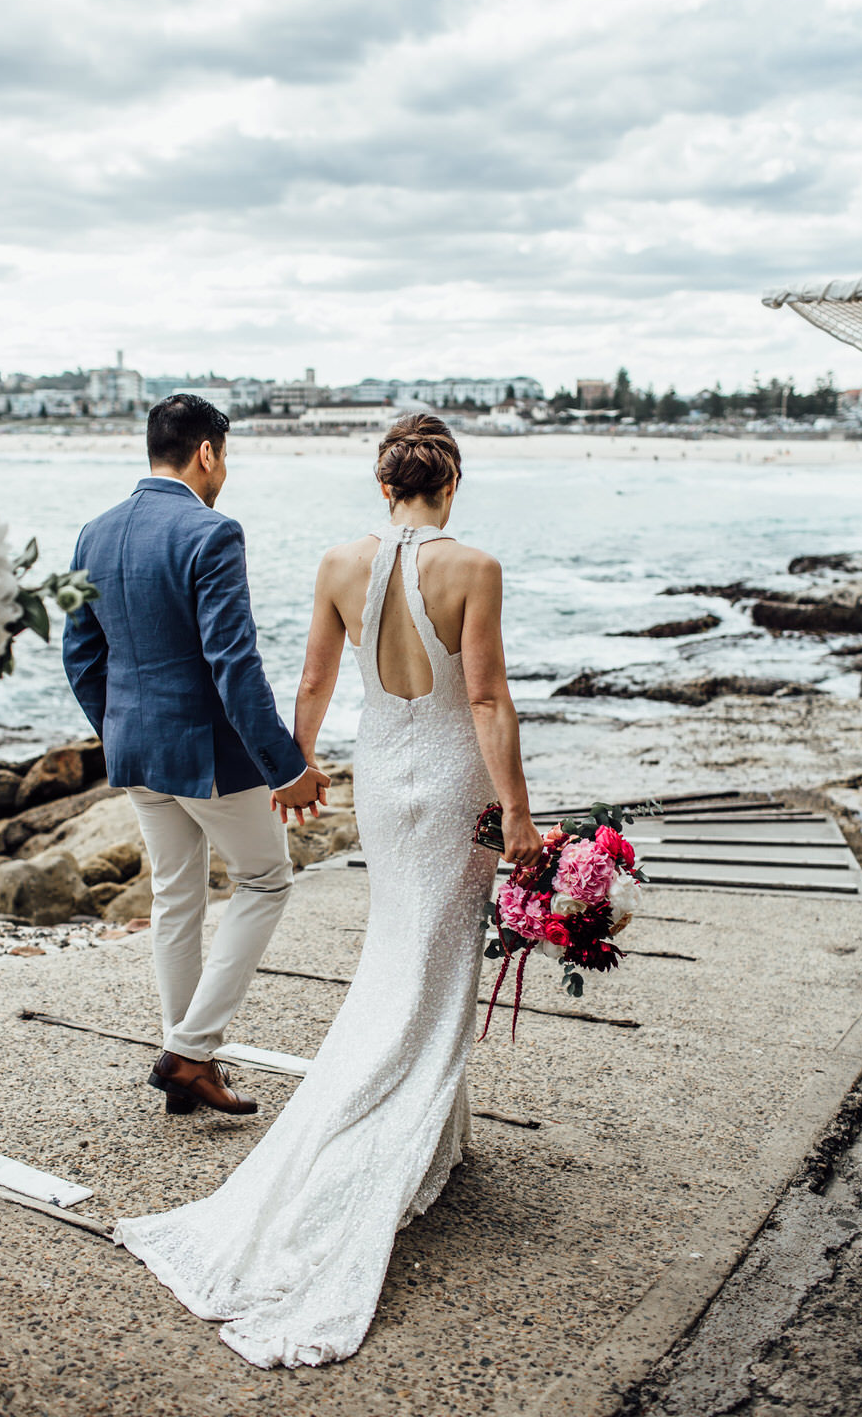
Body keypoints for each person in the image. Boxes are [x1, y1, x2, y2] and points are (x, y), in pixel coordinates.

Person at [114, 412, 542, 1366]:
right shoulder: (473, 567)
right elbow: (483, 699)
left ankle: (435, 1137)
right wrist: (517, 812)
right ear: (452, 484)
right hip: (454, 779)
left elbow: (309, 680)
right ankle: (383, 1132)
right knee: (433, 961)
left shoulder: (340, 564)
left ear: (382, 485)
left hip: (386, 781)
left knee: (402, 945)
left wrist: (296, 769)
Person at [63, 394, 330, 1117]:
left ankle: (189, 1063)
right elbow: (234, 665)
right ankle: (188, 1050)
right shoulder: (210, 532)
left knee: (175, 898)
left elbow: (80, 656)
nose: (224, 472)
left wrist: (119, 727)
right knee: (267, 881)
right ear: (207, 452)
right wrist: (289, 769)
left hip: (137, 754)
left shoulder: (95, 533)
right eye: (225, 456)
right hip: (208, 755)